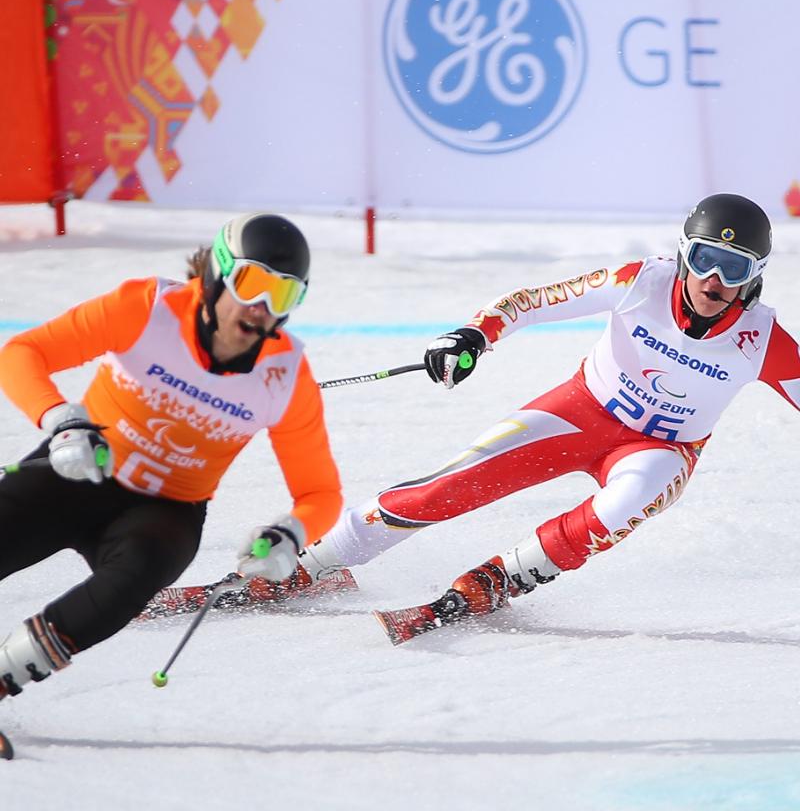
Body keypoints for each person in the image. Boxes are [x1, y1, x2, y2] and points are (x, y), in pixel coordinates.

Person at [220, 193, 800, 643]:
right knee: (445, 487)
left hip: (660, 450)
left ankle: (507, 575)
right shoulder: (640, 282)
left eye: (733, 268)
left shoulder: (764, 340)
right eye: (703, 260)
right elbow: (534, 301)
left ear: (756, 275)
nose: (713, 281)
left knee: (629, 498)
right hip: (581, 411)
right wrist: (473, 336)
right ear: (683, 252)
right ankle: (315, 564)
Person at [0, 213, 342, 699]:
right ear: (217, 273)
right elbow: (22, 352)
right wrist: (60, 420)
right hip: (82, 469)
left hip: (166, 512)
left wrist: (292, 534)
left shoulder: (284, 376)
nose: (262, 307)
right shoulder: (147, 309)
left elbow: (320, 492)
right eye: (252, 283)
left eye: (284, 294)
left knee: (136, 577)